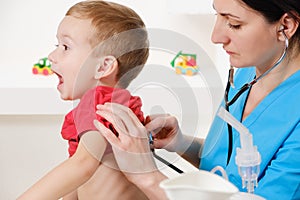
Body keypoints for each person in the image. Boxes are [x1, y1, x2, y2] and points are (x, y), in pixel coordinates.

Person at [93, 0, 300, 199]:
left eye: (234, 24)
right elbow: (232, 168)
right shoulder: (249, 71)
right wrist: (182, 143)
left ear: (286, 26)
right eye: (217, 15)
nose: (216, 36)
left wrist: (146, 176)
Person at [17, 1, 149, 199]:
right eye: (57, 45)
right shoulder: (117, 105)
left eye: (65, 47)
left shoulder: (99, 102)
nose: (52, 56)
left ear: (103, 67)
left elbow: (82, 166)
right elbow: (77, 181)